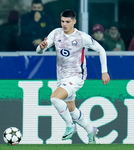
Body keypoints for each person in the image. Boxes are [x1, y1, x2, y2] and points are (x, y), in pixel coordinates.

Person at [36, 10, 110, 144]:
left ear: (74, 22)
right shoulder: (56, 33)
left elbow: (101, 50)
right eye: (62, 21)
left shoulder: (82, 37)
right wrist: (41, 47)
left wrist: (104, 71)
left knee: (54, 98)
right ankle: (90, 130)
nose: (64, 24)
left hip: (76, 77)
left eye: (68, 22)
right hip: (62, 78)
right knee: (71, 109)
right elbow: (39, 52)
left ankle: (70, 125)